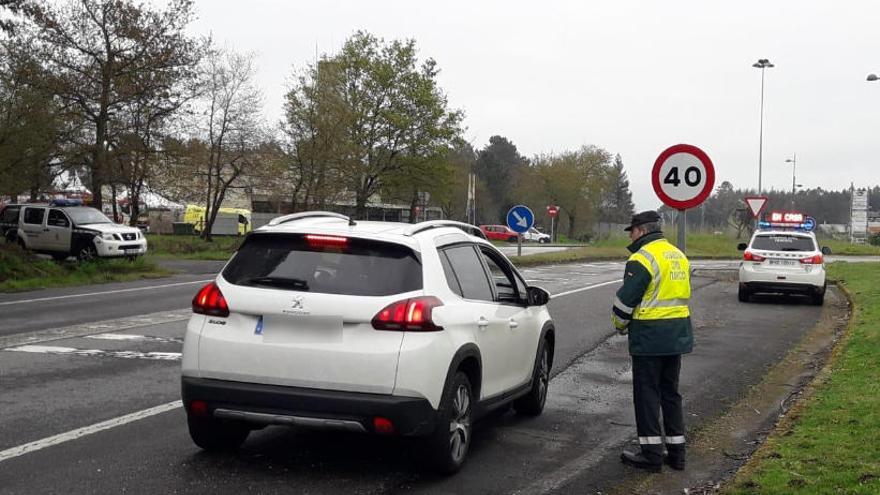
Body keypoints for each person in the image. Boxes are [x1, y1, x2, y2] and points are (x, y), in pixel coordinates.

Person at [612, 210, 693, 473]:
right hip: (677, 334)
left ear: (643, 231)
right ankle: (677, 453)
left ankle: (651, 454)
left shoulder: (642, 258)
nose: (631, 235)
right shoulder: (678, 255)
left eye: (632, 230)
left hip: (649, 336)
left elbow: (625, 302)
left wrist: (620, 325)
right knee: (671, 393)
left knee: (647, 394)